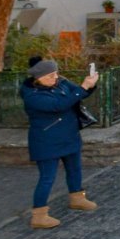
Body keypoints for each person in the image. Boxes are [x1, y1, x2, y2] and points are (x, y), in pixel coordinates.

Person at [20, 58, 100, 228]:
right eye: (50, 75)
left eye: (56, 73)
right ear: (38, 78)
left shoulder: (61, 83)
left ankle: (77, 197)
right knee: (47, 178)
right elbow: (59, 105)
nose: (55, 77)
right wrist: (83, 87)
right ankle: (39, 215)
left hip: (69, 136)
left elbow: (77, 94)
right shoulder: (32, 96)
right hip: (47, 141)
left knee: (75, 169)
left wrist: (90, 85)